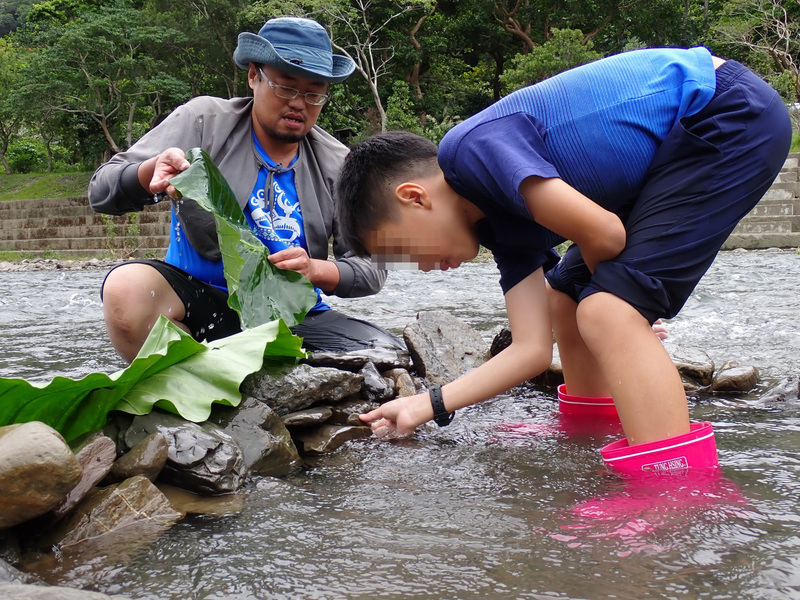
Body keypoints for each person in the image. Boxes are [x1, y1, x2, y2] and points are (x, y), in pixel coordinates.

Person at [334, 47, 792, 474]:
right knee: (564, 297)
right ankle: (593, 427)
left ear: (414, 197)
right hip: (672, 153)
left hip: (724, 112)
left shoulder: (469, 152)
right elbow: (531, 350)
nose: (425, 267)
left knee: (607, 310)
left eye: (405, 251)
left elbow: (605, 234)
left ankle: (670, 487)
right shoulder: (500, 230)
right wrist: (424, 405)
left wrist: (626, 309)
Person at [89, 17, 403, 363]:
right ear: (254, 76)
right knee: (127, 290)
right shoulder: (204, 121)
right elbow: (102, 190)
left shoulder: (339, 164)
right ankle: (193, 378)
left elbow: (370, 267)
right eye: (286, 87)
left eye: (314, 93)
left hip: (290, 314)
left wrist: (316, 270)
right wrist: (147, 173)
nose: (299, 104)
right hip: (202, 302)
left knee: (388, 356)